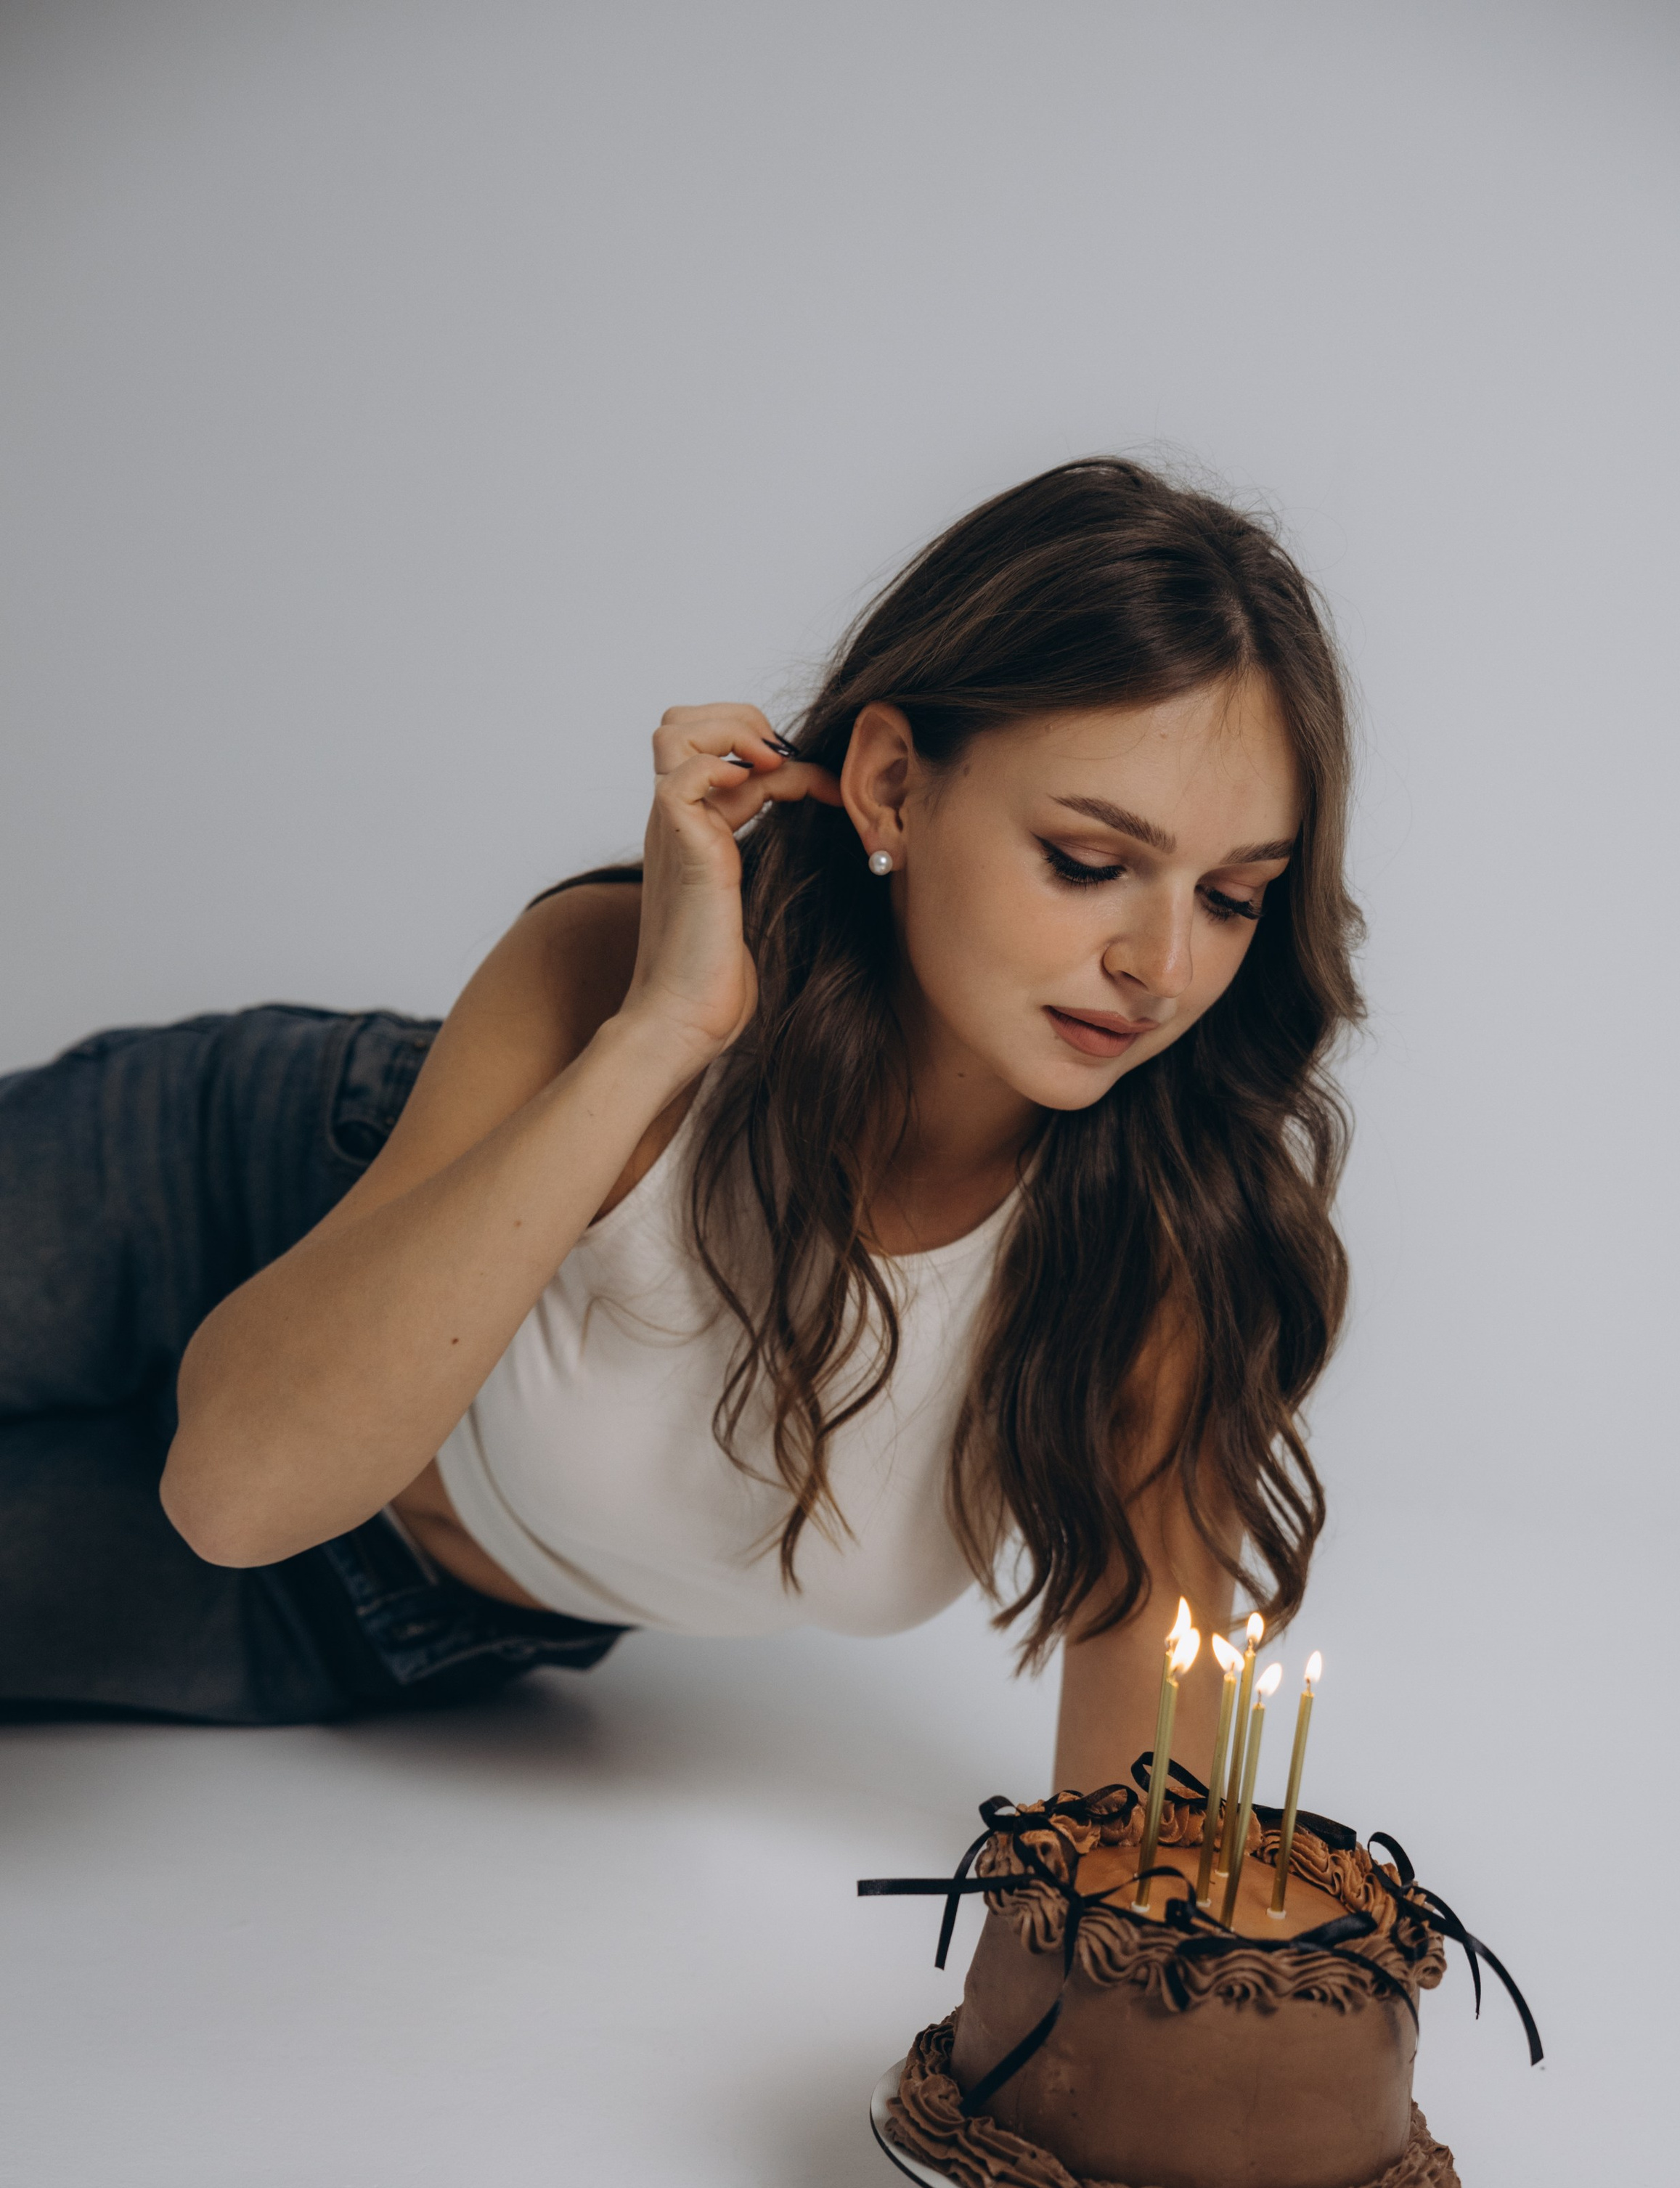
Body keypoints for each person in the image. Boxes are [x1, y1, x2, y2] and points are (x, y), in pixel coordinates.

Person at [0, 457, 1363, 1791]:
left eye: (1234, 897)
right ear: (894, 785)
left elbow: (1149, 1829)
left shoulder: (1169, 1237)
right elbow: (246, 1464)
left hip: (364, 1611)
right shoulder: (614, 975)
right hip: (218, 1184)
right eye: (1088, 862)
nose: (1163, 967)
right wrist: (659, 1034)